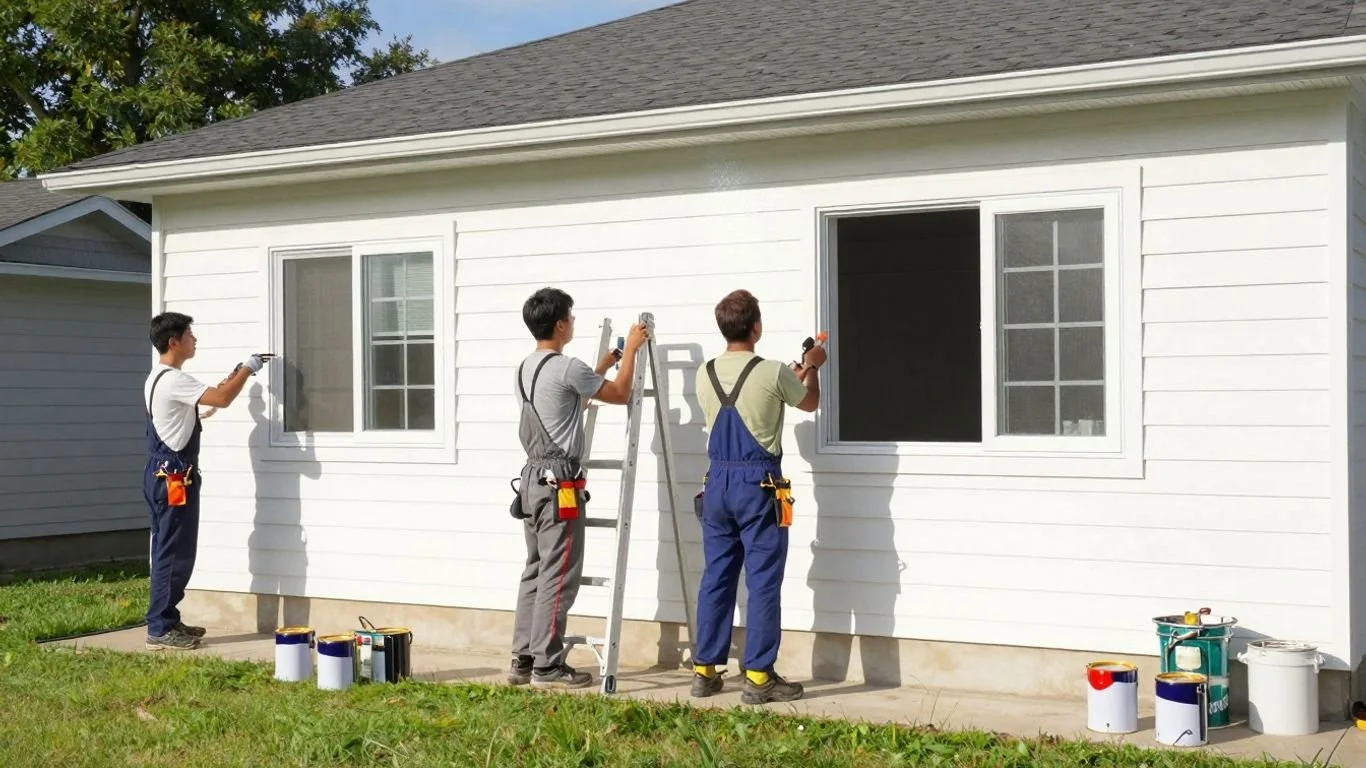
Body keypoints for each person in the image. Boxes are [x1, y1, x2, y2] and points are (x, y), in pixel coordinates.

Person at [508, 287, 648, 689]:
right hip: (560, 484)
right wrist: (633, 350)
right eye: (570, 317)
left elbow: (567, 408)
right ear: (560, 324)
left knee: (535, 569)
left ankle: (523, 658)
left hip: (532, 480)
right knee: (559, 572)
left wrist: (602, 365)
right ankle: (548, 666)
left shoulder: (525, 368)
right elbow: (621, 395)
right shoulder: (568, 367)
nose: (573, 322)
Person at [689, 289, 823, 704]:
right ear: (756, 327)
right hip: (758, 486)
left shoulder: (704, 371)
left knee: (717, 576)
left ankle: (705, 671)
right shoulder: (771, 372)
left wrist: (787, 377)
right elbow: (809, 402)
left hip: (717, 485)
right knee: (763, 581)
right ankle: (759, 678)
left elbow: (752, 400)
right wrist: (812, 368)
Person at [143, 312, 273, 650]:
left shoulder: (160, 377)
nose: (194, 340)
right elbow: (223, 398)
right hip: (173, 479)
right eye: (190, 334)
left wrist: (233, 374)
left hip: (163, 474)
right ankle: (159, 628)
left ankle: (167, 619)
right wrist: (249, 368)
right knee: (173, 553)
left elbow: (211, 394)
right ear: (174, 341)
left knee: (168, 550)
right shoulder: (173, 379)